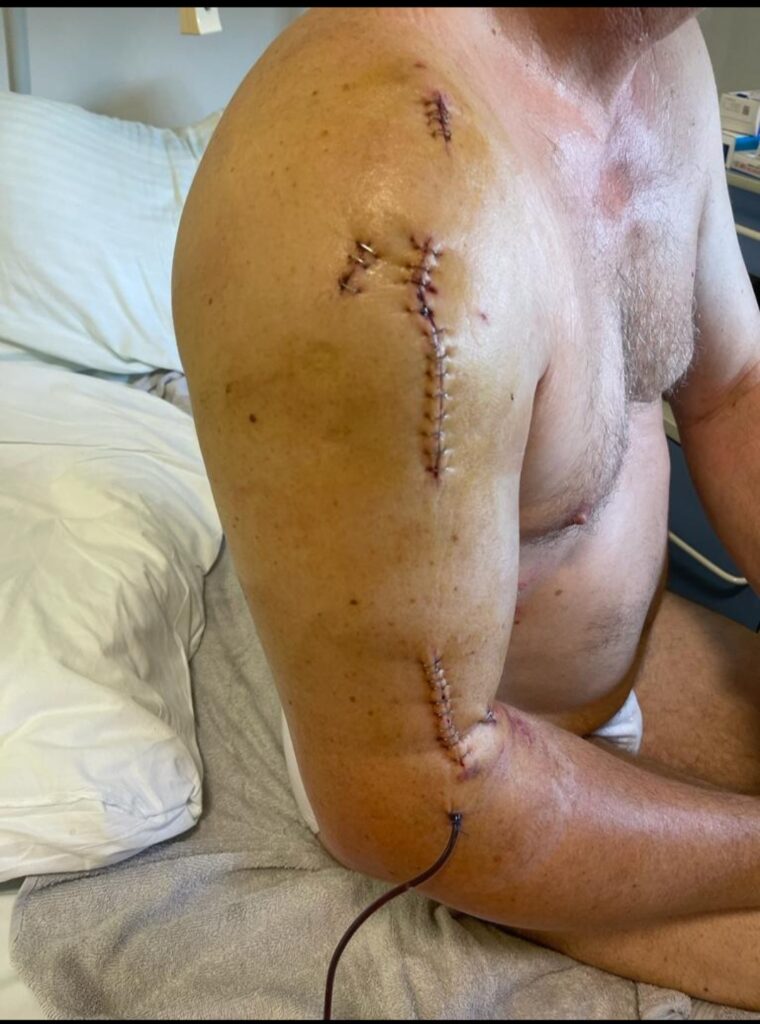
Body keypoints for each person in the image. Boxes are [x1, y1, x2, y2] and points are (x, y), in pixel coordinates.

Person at [172, 7, 760, 1009]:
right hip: (484, 788)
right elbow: (419, 798)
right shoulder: (376, 193)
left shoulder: (659, 52)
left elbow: (732, 388)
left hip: (616, 672)